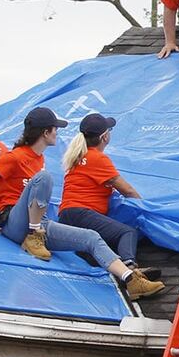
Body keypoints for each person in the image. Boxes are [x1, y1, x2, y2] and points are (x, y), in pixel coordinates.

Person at [0, 107, 165, 300]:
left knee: (91, 237)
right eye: (55, 128)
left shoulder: (40, 159)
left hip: (43, 223)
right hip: (14, 221)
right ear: (45, 132)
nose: (57, 132)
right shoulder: (14, 156)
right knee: (44, 179)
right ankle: (33, 234)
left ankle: (131, 279)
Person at [57, 113, 150, 274]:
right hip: (82, 213)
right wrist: (148, 209)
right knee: (127, 232)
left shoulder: (77, 157)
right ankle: (131, 269)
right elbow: (127, 190)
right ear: (104, 137)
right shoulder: (98, 158)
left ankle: (113, 274)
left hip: (66, 215)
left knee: (98, 252)